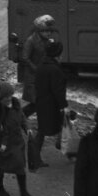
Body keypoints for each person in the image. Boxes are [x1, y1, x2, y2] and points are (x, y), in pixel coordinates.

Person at [31, 36, 68, 164]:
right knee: (49, 129)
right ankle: (35, 158)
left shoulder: (42, 65)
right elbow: (57, 90)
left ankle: (35, 158)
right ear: (57, 54)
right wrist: (63, 105)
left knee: (43, 130)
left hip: (42, 102)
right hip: (51, 104)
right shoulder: (54, 69)